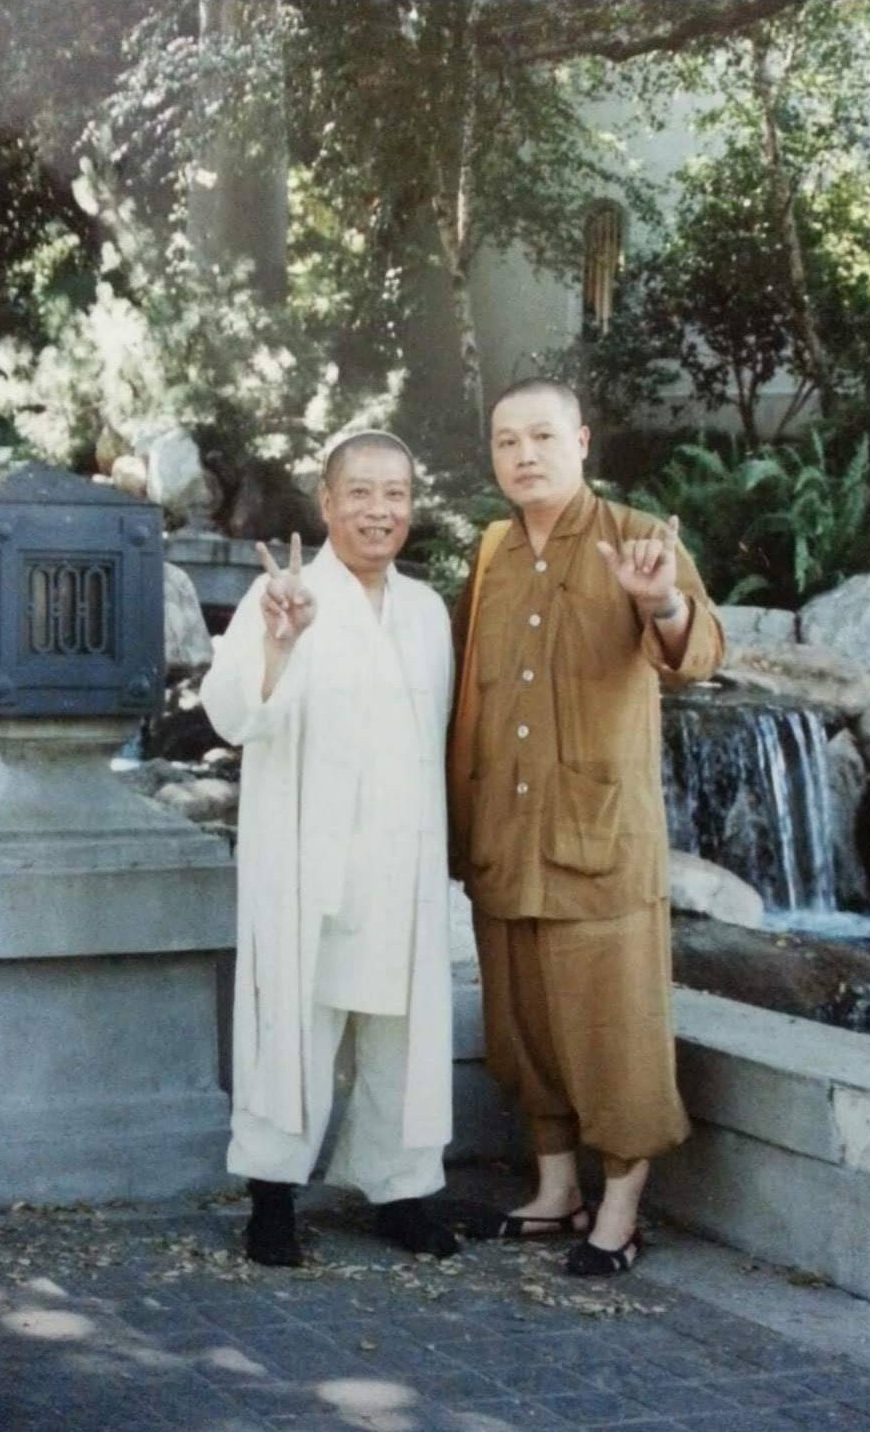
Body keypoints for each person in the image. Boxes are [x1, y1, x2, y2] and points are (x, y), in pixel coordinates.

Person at [448, 379, 724, 1276]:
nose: (523, 455)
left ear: (582, 441)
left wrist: (661, 602)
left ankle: (621, 1210)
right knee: (523, 1029)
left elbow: (698, 653)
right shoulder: (491, 553)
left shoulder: (637, 536)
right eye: (505, 441)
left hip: (599, 841)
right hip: (505, 836)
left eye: (541, 436)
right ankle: (556, 1190)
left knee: (614, 1034)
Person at [201, 430, 459, 1266]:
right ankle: (272, 1197)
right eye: (361, 493)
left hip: (403, 855)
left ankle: (401, 1190)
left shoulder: (426, 612)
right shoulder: (282, 593)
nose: (379, 511)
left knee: (402, 1028)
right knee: (295, 1024)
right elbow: (233, 715)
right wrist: (279, 643)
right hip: (308, 852)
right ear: (327, 502)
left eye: (396, 494)